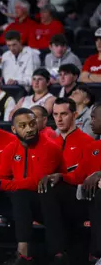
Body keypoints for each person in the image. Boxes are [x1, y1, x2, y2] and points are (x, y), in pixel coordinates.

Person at [0, 108, 63, 265]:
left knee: (20, 193)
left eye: (32, 124)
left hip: (44, 203)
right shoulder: (11, 148)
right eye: (23, 126)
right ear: (14, 129)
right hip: (19, 202)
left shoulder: (50, 147)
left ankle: (24, 254)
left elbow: (36, 182)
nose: (29, 129)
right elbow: (1, 177)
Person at [38, 103, 101, 265]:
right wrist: (60, 176)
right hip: (85, 199)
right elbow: (78, 176)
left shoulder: (85, 141)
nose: (90, 121)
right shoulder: (93, 146)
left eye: (94, 118)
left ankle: (97, 254)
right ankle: (58, 252)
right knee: (49, 190)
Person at [51, 98, 95, 172]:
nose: (59, 119)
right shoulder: (51, 143)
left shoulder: (88, 143)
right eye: (55, 114)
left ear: (75, 115)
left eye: (63, 114)